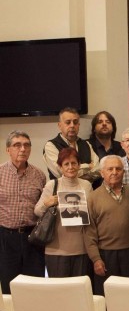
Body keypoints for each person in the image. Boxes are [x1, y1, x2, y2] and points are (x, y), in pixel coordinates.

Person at [0, 131, 47, 293]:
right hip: (6, 238)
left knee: (34, 285)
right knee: (9, 285)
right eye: (17, 145)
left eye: (26, 145)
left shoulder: (39, 175)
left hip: (32, 238)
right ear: (8, 150)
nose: (22, 149)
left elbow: (44, 209)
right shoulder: (0, 173)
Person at [35, 147, 93, 277]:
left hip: (82, 248)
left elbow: (92, 212)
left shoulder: (86, 185)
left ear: (79, 165)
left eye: (74, 163)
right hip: (56, 250)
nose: (70, 167)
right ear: (60, 167)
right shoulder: (52, 185)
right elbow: (37, 211)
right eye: (66, 164)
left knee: (79, 291)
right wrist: (47, 203)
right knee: (59, 292)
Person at [84, 155, 129, 295]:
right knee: (107, 298)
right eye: (110, 169)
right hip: (105, 256)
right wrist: (96, 259)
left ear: (123, 172)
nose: (114, 172)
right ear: (102, 172)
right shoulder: (92, 198)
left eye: (118, 168)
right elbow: (89, 233)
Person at [43, 107, 99, 181]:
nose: (72, 125)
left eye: (75, 122)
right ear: (60, 125)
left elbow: (98, 169)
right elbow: (61, 173)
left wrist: (72, 172)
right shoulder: (50, 146)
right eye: (68, 122)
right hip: (62, 191)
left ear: (78, 125)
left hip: (87, 190)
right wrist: (88, 166)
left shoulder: (86, 144)